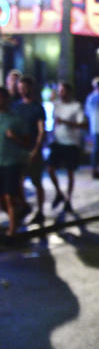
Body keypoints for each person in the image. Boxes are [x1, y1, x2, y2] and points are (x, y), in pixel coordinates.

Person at [12, 76, 48, 225]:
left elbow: (41, 130)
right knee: (17, 181)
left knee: (36, 181)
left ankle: (40, 211)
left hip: (32, 149)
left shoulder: (37, 107)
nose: (22, 91)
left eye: (24, 88)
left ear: (30, 88)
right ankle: (24, 207)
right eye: (20, 88)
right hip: (18, 150)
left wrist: (36, 149)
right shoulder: (16, 106)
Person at [47, 81, 86, 214]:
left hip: (71, 144)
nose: (61, 93)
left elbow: (82, 124)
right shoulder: (56, 105)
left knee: (70, 172)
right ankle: (59, 193)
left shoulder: (76, 106)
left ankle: (68, 200)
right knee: (50, 169)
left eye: (63, 91)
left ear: (69, 92)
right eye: (59, 91)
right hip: (57, 142)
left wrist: (66, 122)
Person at [0, 87, 31, 239]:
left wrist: (14, 138)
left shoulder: (15, 119)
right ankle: (19, 213)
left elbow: (27, 142)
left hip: (12, 162)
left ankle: (12, 231)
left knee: (9, 196)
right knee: (2, 198)